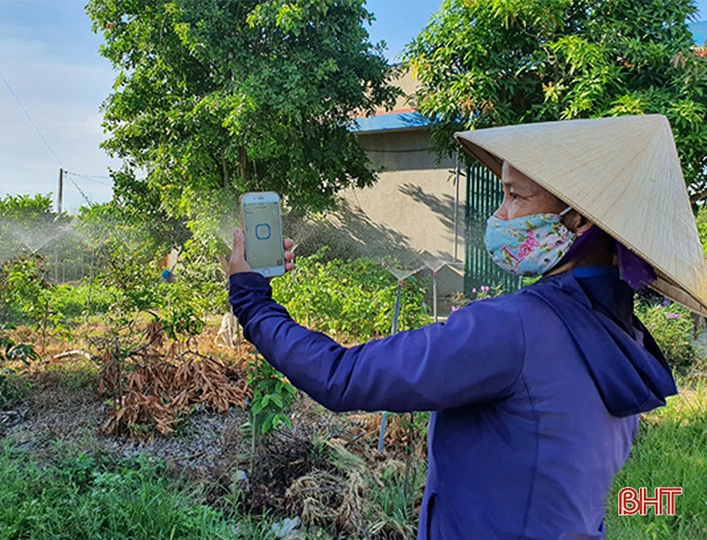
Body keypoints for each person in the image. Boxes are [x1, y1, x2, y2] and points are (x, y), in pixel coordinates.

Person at [227, 115, 706, 539]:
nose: (499, 215)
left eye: (515, 195)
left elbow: (342, 377)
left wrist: (251, 299)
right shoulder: (626, 336)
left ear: (578, 220)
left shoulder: (514, 329)